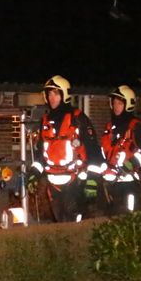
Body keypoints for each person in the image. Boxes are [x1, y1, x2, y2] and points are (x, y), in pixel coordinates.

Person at [30, 75, 103, 223]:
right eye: (49, 94)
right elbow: (40, 155)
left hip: (75, 181)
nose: (52, 98)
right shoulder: (44, 121)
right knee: (59, 222)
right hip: (53, 184)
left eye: (56, 94)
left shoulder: (78, 119)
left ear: (65, 95)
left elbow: (94, 151)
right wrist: (34, 174)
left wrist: (92, 180)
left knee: (74, 221)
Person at [100, 84, 141, 215]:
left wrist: (130, 164)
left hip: (128, 183)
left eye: (120, 103)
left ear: (128, 104)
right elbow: (104, 152)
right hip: (109, 184)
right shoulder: (109, 127)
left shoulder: (135, 127)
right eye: (114, 103)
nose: (116, 106)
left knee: (129, 219)